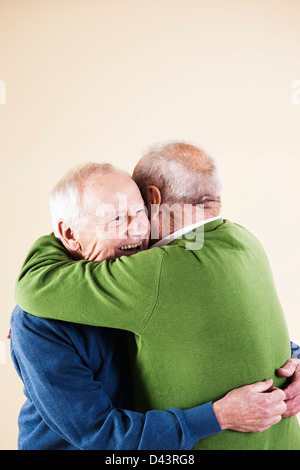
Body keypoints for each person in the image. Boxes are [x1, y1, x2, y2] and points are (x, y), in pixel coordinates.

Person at [14, 145, 300, 449]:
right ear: (69, 235)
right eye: (115, 219)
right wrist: (218, 416)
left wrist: (292, 356)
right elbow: (100, 436)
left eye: (140, 212)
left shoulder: (148, 275)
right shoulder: (39, 321)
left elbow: (217, 322)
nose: (137, 230)